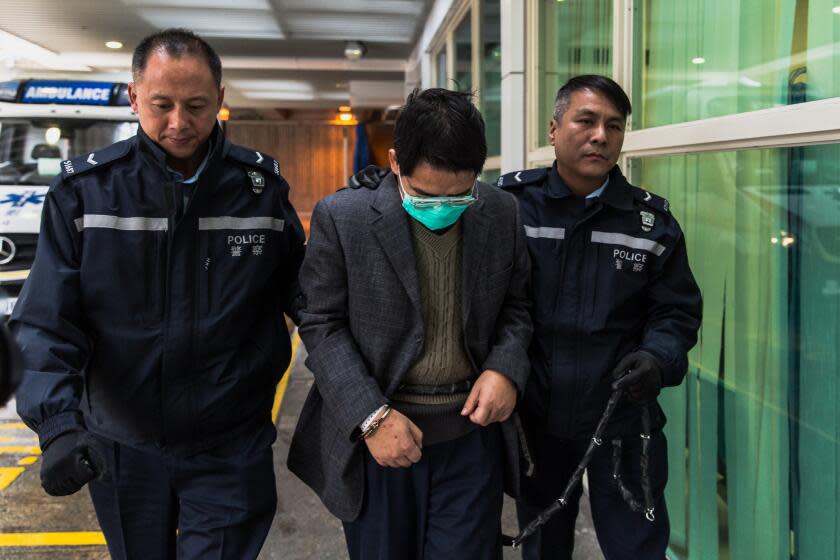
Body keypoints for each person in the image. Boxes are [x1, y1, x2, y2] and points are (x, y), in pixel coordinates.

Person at [11, 28, 305, 560]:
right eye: (161, 105)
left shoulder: (258, 192)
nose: (178, 123)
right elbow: (46, 319)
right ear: (133, 97)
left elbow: (311, 299)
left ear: (220, 99)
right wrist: (56, 425)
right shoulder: (85, 195)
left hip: (229, 443)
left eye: (196, 106)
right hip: (122, 446)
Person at [287, 88, 532, 560]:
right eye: (424, 195)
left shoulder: (501, 212)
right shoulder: (344, 218)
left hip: (469, 438)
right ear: (396, 162)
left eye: (459, 195)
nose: (442, 208)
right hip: (380, 436)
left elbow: (517, 306)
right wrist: (371, 417)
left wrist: (504, 368)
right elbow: (320, 323)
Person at [497, 75, 703, 559]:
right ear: (553, 129)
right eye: (585, 121)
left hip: (623, 422)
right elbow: (438, 205)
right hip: (537, 417)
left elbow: (676, 312)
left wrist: (657, 357)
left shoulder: (650, 224)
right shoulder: (511, 207)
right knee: (543, 545)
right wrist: (380, 188)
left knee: (637, 548)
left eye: (614, 126)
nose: (600, 136)